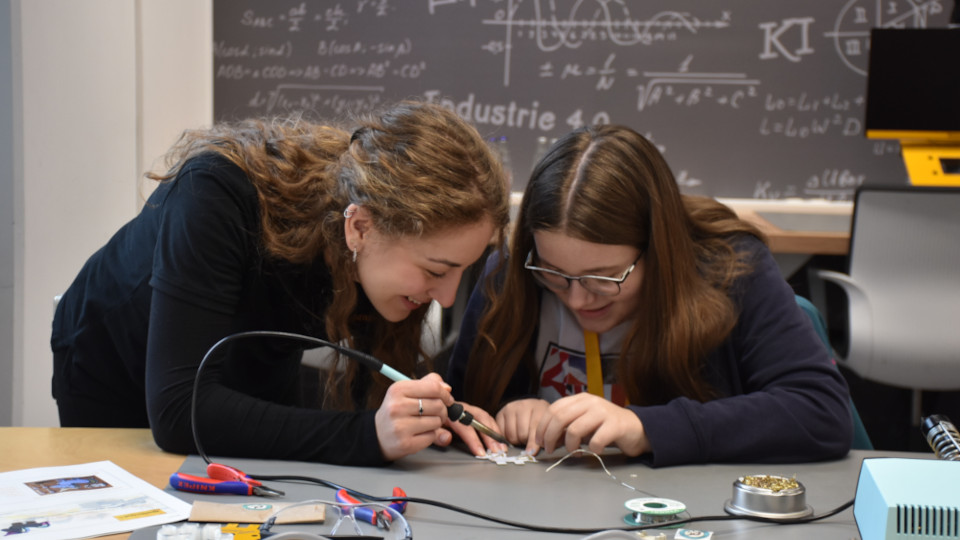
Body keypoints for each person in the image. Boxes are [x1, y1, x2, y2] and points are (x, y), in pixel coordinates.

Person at [51, 101, 510, 465]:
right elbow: (177, 413)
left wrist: (434, 422)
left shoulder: (373, 249)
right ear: (360, 228)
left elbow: (356, 402)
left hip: (249, 355)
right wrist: (369, 435)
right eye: (435, 271)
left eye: (461, 272)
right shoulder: (213, 195)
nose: (447, 298)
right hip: (116, 367)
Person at [448, 124, 853, 466]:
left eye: (603, 278)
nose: (577, 300)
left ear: (659, 250)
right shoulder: (510, 273)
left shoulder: (731, 270)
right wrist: (509, 411)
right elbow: (457, 412)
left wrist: (646, 427)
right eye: (554, 274)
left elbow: (821, 413)